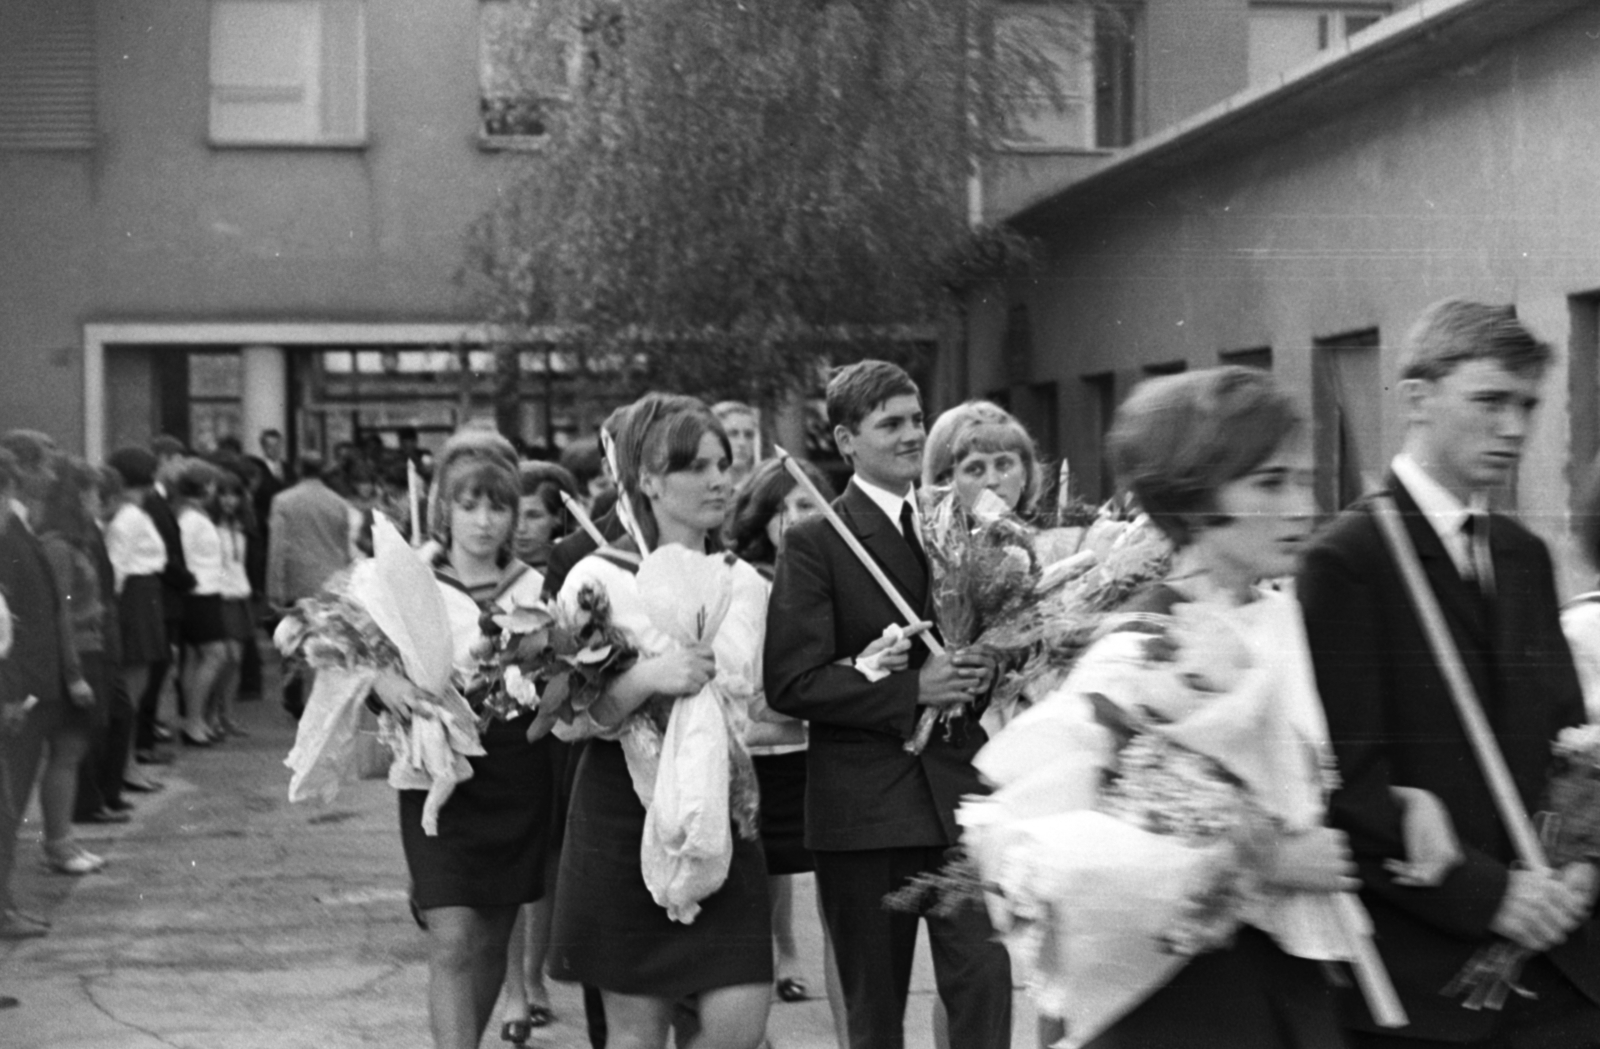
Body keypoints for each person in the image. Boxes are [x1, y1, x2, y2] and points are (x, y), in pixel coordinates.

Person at [1298, 299, 1600, 1047]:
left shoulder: (1523, 554)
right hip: (1426, 987)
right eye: (1490, 400)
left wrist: (1583, 863)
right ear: (1417, 398)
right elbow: (1348, 780)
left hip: (1562, 968)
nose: (1515, 428)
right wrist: (1490, 896)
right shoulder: (1346, 561)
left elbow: (1574, 741)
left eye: (1527, 404)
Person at [764, 360, 1013, 1049]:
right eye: (890, 423)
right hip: (866, 810)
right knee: (873, 1012)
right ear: (846, 440)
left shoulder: (958, 528)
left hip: (959, 799)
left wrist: (985, 661)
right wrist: (911, 692)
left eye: (916, 419)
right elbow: (790, 682)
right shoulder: (816, 543)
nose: (912, 435)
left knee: (984, 981)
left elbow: (984, 643)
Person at [549, 394, 773, 1049]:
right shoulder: (597, 577)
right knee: (636, 1035)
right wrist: (647, 677)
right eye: (695, 466)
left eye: (724, 464)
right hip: (623, 814)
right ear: (648, 480)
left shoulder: (747, 581)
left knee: (740, 1025)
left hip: (725, 815)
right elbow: (568, 719)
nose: (718, 480)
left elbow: (757, 699)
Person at [361, 429, 555, 1049]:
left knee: (495, 935)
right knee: (450, 937)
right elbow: (360, 656)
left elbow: (561, 678)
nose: (483, 521)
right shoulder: (407, 577)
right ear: (444, 508)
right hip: (435, 767)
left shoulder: (536, 587)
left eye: (498, 507)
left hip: (515, 766)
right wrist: (384, 684)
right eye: (468, 506)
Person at [726, 457, 849, 1049]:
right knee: (752, 906)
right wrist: (838, 700)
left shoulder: (843, 573)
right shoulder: (743, 583)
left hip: (824, 765)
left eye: (807, 504)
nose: (796, 518)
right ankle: (757, 1026)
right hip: (758, 772)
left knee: (844, 916)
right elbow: (752, 702)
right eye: (782, 508)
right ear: (760, 520)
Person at [499, 458, 579, 1043]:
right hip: (497, 736)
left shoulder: (564, 578)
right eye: (515, 514)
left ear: (558, 520)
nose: (522, 527)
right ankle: (513, 990)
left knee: (546, 858)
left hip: (551, 733)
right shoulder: (489, 576)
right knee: (508, 861)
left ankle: (533, 977)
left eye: (534, 515)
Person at [0, 437, 101, 884]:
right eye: (44, 466)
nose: (53, 475)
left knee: (16, 795)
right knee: (12, 794)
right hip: (23, 684)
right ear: (20, 471)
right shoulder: (17, 534)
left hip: (30, 681)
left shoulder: (22, 530)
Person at [36, 457, 128, 829]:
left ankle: (64, 837)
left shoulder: (78, 543)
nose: (97, 499)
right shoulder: (58, 547)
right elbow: (58, 613)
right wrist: (73, 674)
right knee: (68, 751)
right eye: (90, 492)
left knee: (77, 748)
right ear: (75, 497)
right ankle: (59, 839)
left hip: (91, 647)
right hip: (78, 652)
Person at [104, 447, 170, 793]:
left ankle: (126, 764)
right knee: (132, 690)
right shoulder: (130, 516)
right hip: (135, 599)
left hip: (143, 596)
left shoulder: (132, 513)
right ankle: (124, 765)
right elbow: (116, 567)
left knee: (137, 688)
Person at [266, 455, 352, 718]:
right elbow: (343, 543)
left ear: (298, 469)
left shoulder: (283, 500)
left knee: (294, 638)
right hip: (331, 578)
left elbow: (278, 546)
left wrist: (274, 586)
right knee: (329, 640)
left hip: (297, 579)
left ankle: (293, 697)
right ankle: (325, 699)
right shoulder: (338, 502)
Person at [173, 460, 230, 747]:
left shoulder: (193, 515)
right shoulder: (192, 519)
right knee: (214, 655)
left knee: (197, 659)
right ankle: (194, 720)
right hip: (200, 594)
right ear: (205, 485)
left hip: (204, 592)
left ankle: (193, 719)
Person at [922, 400, 1043, 519]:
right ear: (945, 482)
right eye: (974, 469)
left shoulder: (1047, 538)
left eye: (1003, 465)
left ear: (1024, 475)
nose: (992, 481)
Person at [712, 402, 761, 491]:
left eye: (749, 435)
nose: (742, 443)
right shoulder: (697, 491)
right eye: (733, 434)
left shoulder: (763, 492)